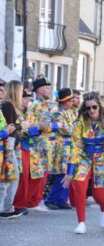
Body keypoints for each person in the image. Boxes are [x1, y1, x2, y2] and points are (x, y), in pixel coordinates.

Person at [61, 92, 104, 234]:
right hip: (84, 156)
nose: (92, 110)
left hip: (102, 157)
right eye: (88, 108)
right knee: (78, 185)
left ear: (99, 107)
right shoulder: (80, 121)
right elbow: (75, 146)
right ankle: (81, 222)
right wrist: (70, 172)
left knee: (99, 195)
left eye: (94, 107)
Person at [26, 77, 61, 212]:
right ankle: (30, 202)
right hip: (39, 145)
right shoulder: (39, 105)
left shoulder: (44, 104)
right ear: (40, 90)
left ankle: (34, 201)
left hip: (45, 145)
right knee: (38, 176)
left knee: (42, 175)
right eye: (46, 88)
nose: (49, 90)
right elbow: (44, 126)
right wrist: (57, 125)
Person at [44, 88, 76, 210]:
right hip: (61, 146)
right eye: (70, 100)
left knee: (69, 172)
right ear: (64, 101)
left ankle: (62, 199)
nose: (72, 102)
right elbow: (67, 129)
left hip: (70, 146)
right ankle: (51, 199)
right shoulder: (57, 112)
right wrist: (71, 128)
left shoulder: (70, 112)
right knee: (60, 173)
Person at [10, 88, 34, 216]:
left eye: (29, 99)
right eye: (25, 98)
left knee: (23, 177)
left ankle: (20, 203)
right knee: (19, 177)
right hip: (18, 146)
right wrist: (34, 129)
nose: (27, 101)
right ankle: (17, 204)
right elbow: (19, 130)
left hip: (25, 146)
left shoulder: (24, 112)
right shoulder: (15, 111)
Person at [0, 81, 21, 218]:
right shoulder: (7, 105)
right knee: (9, 178)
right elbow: (10, 127)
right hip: (7, 143)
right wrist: (22, 126)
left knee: (9, 177)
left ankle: (6, 208)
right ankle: (5, 209)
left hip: (8, 142)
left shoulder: (5, 105)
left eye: (2, 89)